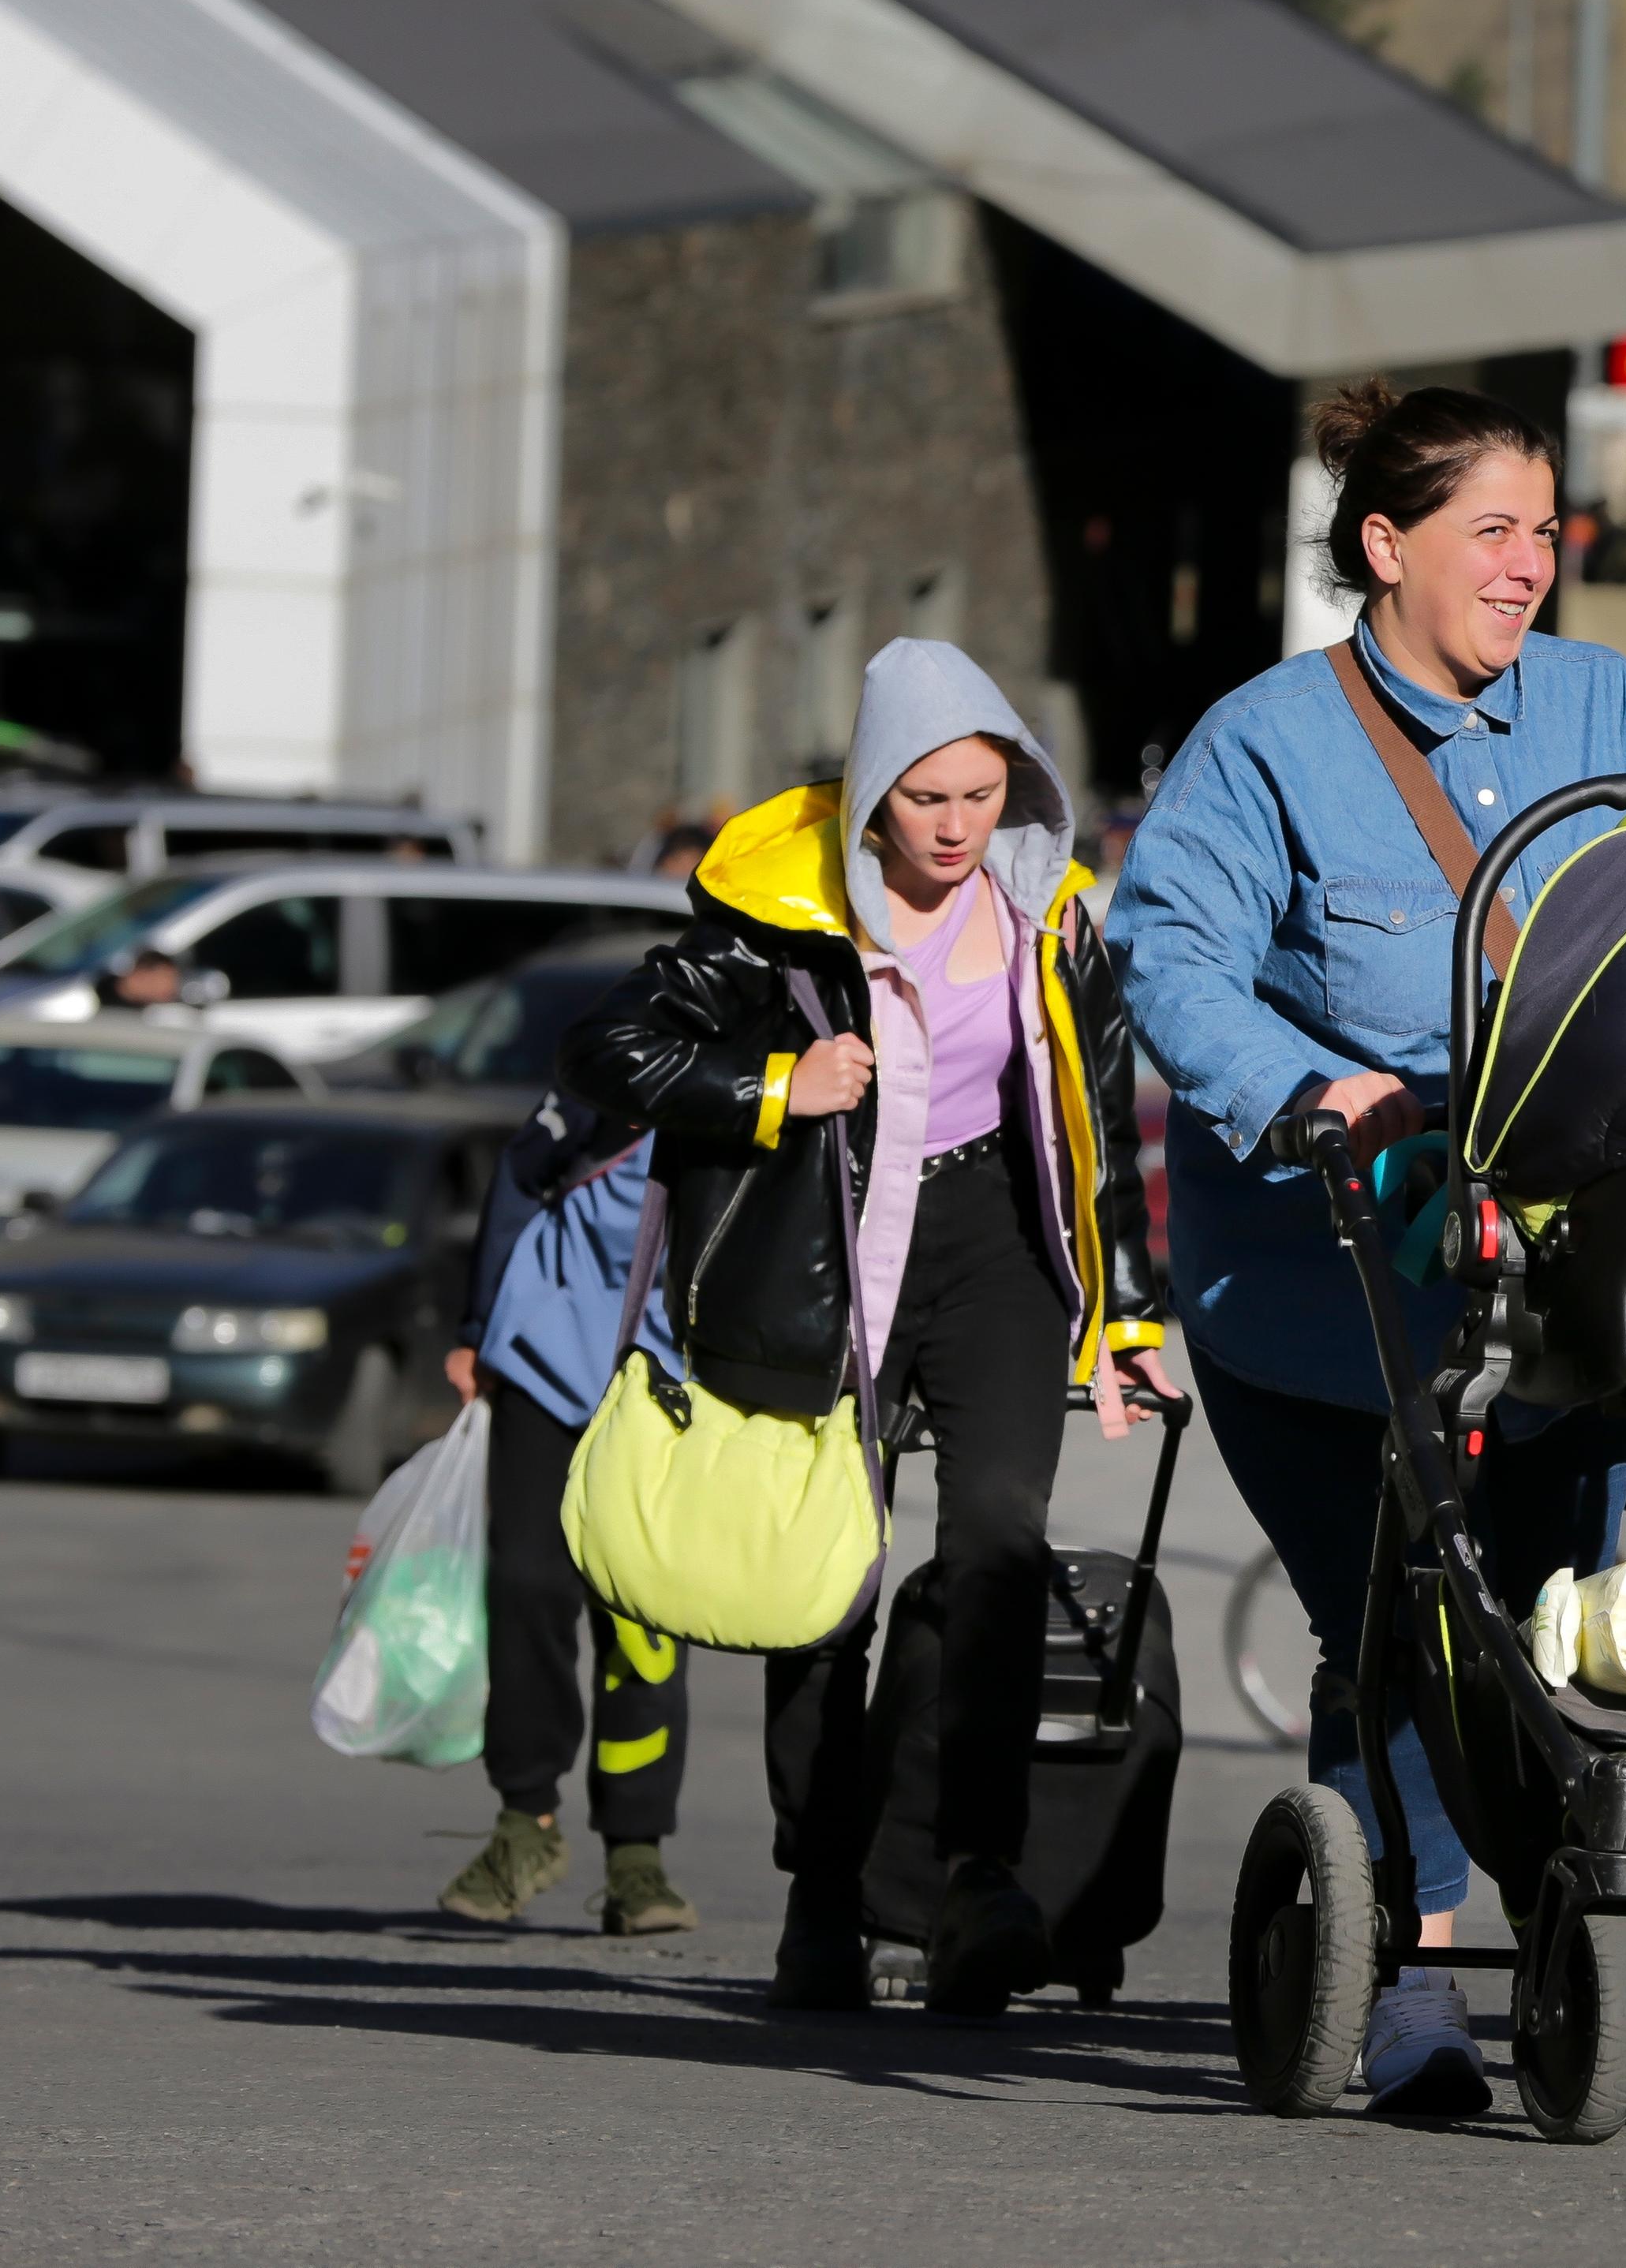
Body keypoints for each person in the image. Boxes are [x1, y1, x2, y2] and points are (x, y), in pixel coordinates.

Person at [1107, 379, 1626, 2115]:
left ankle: (1567, 1922)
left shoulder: (1604, 701)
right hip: (1320, 1290)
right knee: (1396, 1617)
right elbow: (1172, 959)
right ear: (1387, 544)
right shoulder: (1268, 741)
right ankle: (1410, 1979)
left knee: (1544, 1622)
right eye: (1491, 532)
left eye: (1545, 529)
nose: (1530, 564)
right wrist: (1314, 1091)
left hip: (1559, 1283)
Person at [562, 640, 1171, 2019]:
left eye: (982, 792)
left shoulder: (1051, 911)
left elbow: (1097, 1126)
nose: (958, 827)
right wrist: (782, 1080)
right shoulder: (778, 914)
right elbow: (607, 1051)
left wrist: (1124, 1310)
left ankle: (976, 1871)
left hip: (999, 1249)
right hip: (833, 1258)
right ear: (870, 798)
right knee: (825, 1582)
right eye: (927, 799)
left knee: (1000, 1543)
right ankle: (820, 1891)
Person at [435, 1093, 693, 1935]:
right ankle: (525, 1822)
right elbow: (517, 1183)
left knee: (644, 1626)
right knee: (525, 1588)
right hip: (547, 1362)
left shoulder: (789, 1067)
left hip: (675, 1387)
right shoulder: (616, 1055)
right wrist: (476, 1327)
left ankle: (636, 1857)